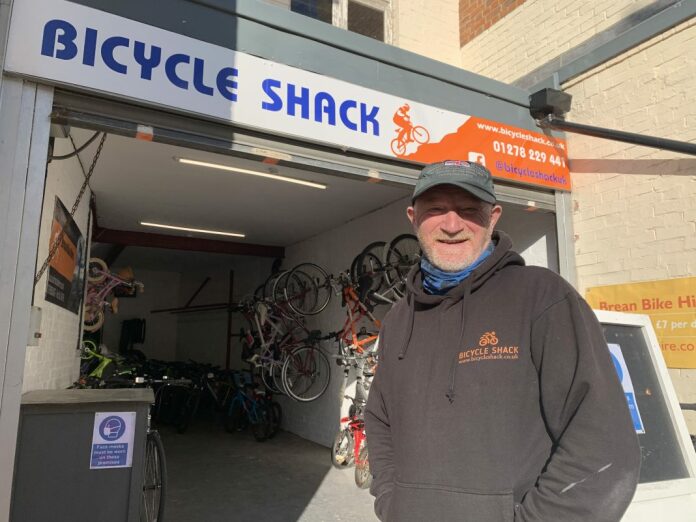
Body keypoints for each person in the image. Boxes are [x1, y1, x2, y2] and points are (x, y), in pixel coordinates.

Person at [364, 160, 641, 522]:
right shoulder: (400, 319)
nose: (451, 225)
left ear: (493, 217)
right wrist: (391, 499)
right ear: (413, 217)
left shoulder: (543, 297)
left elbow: (603, 445)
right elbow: (379, 417)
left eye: (468, 210)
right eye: (436, 210)